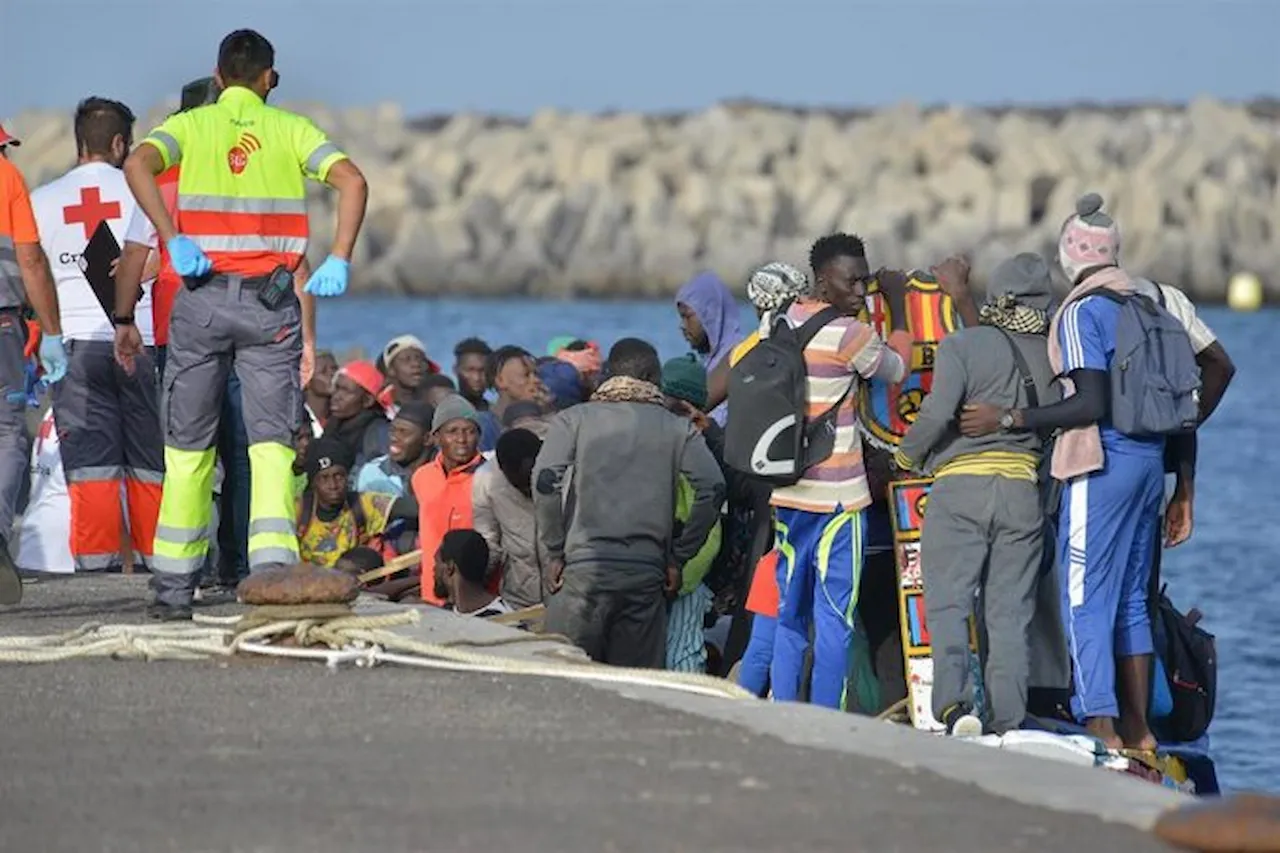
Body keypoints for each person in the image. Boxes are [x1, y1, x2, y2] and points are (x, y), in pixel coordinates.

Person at [122, 29, 368, 619]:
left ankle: (173, 592)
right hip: (272, 304)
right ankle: (271, 579)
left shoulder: (192, 125)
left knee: (187, 450)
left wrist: (173, 237)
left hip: (202, 300)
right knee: (270, 448)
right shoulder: (291, 129)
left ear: (217, 75)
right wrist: (339, 257)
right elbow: (353, 181)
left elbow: (137, 164)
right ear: (269, 78)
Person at [959, 194, 1174, 751]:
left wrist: (1012, 416)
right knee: (1130, 598)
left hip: (1100, 461)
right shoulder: (1147, 303)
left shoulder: (1082, 311)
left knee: (1084, 595)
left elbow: (1090, 402)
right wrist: (1185, 486)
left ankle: (1098, 723)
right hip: (1151, 463)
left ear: (1070, 256)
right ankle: (1140, 731)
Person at [895, 253, 1061, 735]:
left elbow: (935, 416)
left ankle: (954, 707)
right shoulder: (1055, 354)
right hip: (1022, 495)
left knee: (948, 604)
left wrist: (904, 459)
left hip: (961, 489)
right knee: (1009, 616)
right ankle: (1008, 722)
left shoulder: (963, 345)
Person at [768, 233, 912, 709]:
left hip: (787, 493)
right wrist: (898, 304)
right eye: (852, 282)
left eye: (866, 282)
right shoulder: (852, 335)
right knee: (834, 616)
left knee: (790, 612)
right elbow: (896, 369)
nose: (860, 292)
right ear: (823, 281)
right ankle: (828, 718)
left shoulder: (780, 323)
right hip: (838, 501)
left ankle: (784, 708)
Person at [28, 97, 163, 573]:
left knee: (90, 467)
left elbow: (31, 271)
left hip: (74, 347)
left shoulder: (41, 200)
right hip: (141, 341)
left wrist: (45, 335)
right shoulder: (145, 191)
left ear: (80, 141)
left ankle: (97, 570)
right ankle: (157, 564)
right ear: (122, 143)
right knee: (150, 460)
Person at [534, 338, 725, 669]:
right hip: (645, 576)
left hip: (582, 573)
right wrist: (679, 556)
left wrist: (554, 550)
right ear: (654, 378)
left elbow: (545, 481)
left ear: (609, 373)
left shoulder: (573, 419)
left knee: (568, 682)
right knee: (633, 688)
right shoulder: (678, 428)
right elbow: (713, 487)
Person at [0, 123, 66, 602]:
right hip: (2, 323)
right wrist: (51, 330)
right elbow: (31, 260)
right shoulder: (7, 177)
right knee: (5, 431)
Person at [661, 354, 724, 672]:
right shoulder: (697, 446)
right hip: (680, 571)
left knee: (675, 653)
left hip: (675, 572)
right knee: (682, 652)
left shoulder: (701, 446)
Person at [295, 436, 417, 568]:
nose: (333, 485)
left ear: (347, 476)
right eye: (324, 478)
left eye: (339, 476)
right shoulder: (299, 510)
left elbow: (413, 508)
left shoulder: (362, 504)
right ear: (314, 483)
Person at [412, 394, 488, 605]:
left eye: (469, 431)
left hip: (473, 596)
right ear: (436, 437)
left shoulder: (489, 478)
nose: (462, 439)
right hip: (432, 594)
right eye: (452, 432)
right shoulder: (422, 477)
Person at [472, 427, 551, 610]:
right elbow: (488, 541)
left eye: (530, 480)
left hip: (566, 594)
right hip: (519, 598)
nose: (527, 490)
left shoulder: (567, 471)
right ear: (502, 469)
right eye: (520, 485)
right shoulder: (485, 481)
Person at [675, 271, 742, 426]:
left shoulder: (739, 356)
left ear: (710, 314)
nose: (682, 326)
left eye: (687, 317)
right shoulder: (707, 363)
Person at [356, 400, 434, 497]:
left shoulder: (444, 473)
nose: (393, 438)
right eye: (392, 430)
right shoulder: (374, 472)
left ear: (427, 439)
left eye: (404, 432)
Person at [475, 345, 545, 453]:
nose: (536, 380)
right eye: (526, 375)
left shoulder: (542, 418)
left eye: (536, 374)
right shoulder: (483, 426)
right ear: (500, 381)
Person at [324, 360, 390, 468]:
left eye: (346, 391)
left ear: (368, 400)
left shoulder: (379, 432)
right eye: (337, 388)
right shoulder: (333, 425)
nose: (336, 397)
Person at [433, 529, 512, 617]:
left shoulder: (504, 621)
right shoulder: (446, 614)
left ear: (450, 568)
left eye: (437, 562)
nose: (434, 569)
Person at [379, 334, 439, 412]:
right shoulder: (379, 408)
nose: (416, 364)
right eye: (406, 359)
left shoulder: (439, 403)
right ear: (391, 370)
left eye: (421, 359)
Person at [303, 350, 338, 436]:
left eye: (334, 369)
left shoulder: (342, 418)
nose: (333, 374)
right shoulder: (295, 419)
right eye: (323, 371)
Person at [452, 337, 491, 411]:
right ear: (455, 370)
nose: (477, 378)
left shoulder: (496, 413)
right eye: (470, 370)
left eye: (482, 371)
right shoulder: (444, 410)